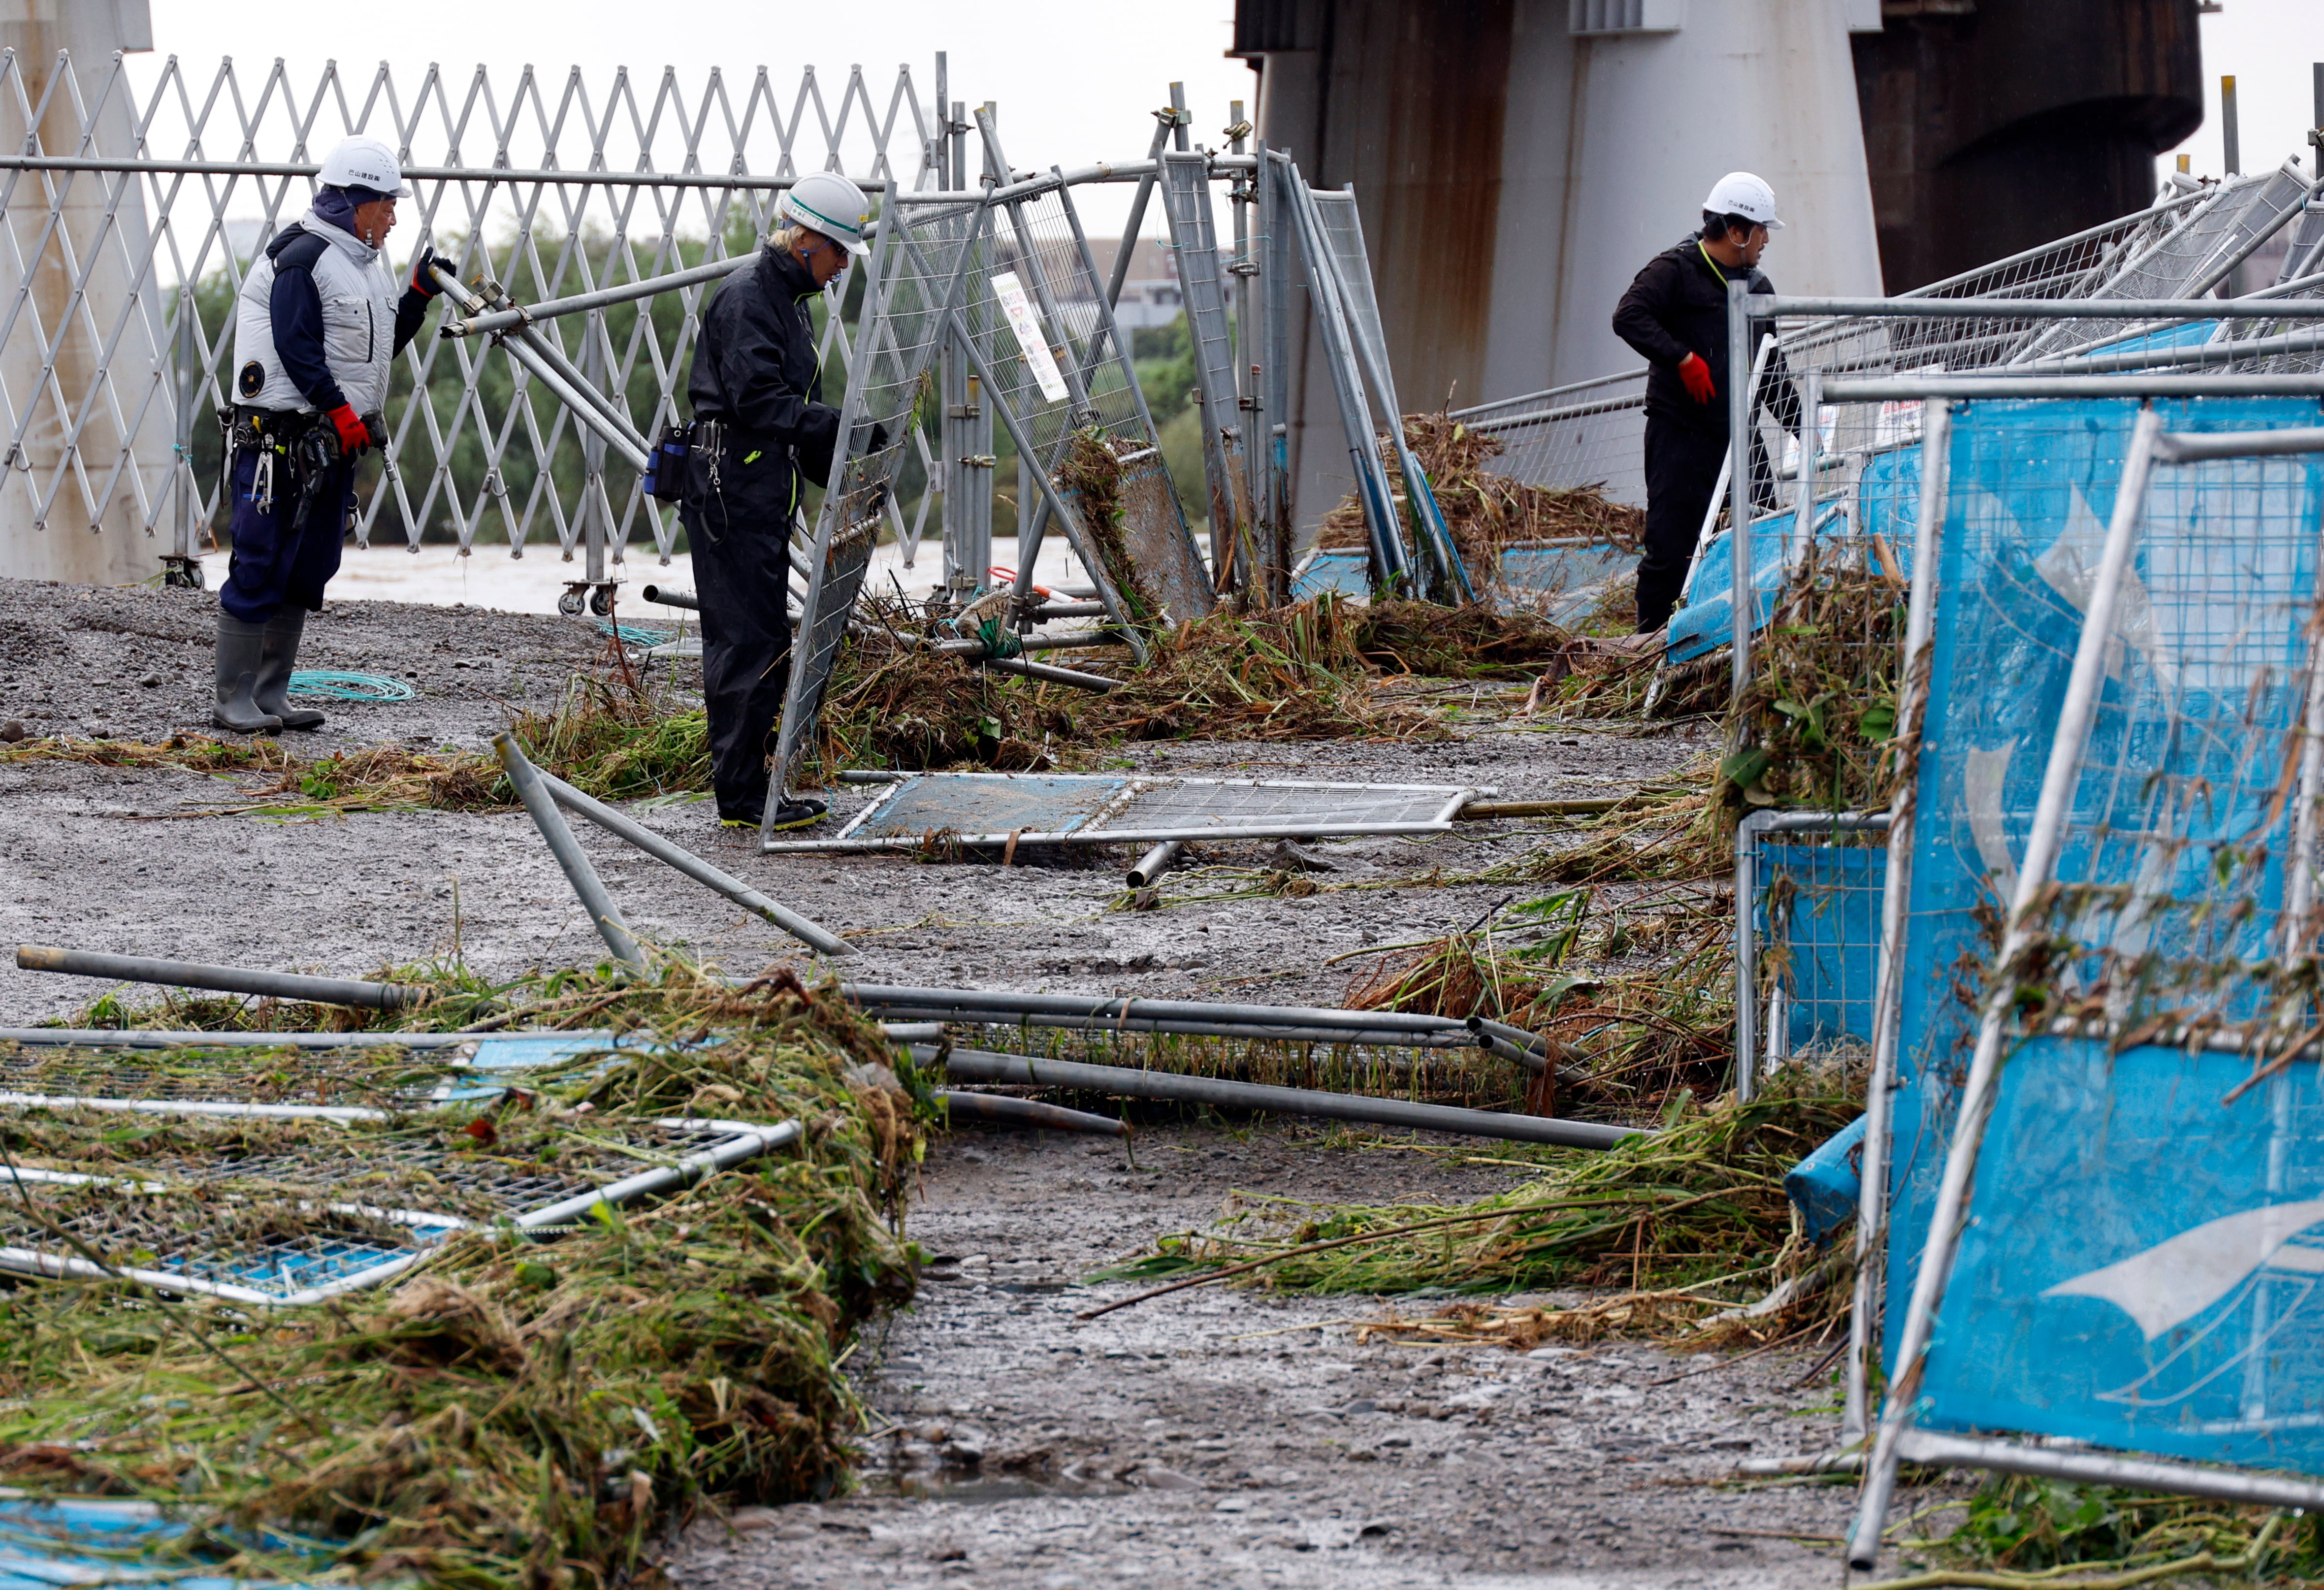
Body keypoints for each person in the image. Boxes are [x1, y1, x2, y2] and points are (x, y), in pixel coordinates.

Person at [215, 133, 445, 733]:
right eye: (386, 205)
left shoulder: (365, 267)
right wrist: (339, 411)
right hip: (280, 438)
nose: (394, 218)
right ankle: (231, 699)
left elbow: (374, 353)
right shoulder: (303, 256)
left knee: (308, 564)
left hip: (329, 438)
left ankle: (271, 694)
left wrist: (416, 297)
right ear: (352, 202)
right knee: (262, 557)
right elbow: (296, 346)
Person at [679, 170, 872, 830]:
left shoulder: (782, 300)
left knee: (759, 636)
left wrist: (837, 452)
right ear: (807, 241)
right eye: (839, 252)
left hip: (752, 485)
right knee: (748, 640)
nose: (841, 267)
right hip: (730, 490)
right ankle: (741, 798)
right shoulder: (750, 299)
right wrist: (839, 429)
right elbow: (760, 401)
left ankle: (754, 783)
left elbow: (780, 410)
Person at [1612, 170, 1801, 635]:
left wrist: (1807, 425)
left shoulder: (1759, 289)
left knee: (1762, 529)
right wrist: (1682, 359)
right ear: (1735, 231)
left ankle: (1753, 637)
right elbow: (1629, 316)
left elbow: (1771, 370)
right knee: (1670, 546)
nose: (1764, 243)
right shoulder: (1675, 270)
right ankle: (1652, 647)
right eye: (1760, 232)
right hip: (1679, 433)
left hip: (1740, 436)